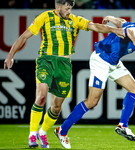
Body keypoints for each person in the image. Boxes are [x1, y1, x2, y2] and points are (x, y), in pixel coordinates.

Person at [3, 0, 125, 148]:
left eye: (70, 8)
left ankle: (43, 132)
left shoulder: (75, 20)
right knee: (41, 97)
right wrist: (10, 55)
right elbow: (24, 36)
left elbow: (94, 26)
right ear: (58, 6)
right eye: (67, 8)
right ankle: (32, 135)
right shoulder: (45, 17)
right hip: (46, 61)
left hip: (64, 65)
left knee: (56, 107)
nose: (69, 11)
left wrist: (112, 30)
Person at [54, 16, 135, 148]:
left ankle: (123, 125)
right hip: (102, 60)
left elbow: (123, 23)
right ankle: (62, 130)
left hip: (113, 62)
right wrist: (134, 38)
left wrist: (110, 18)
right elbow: (131, 30)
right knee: (92, 101)